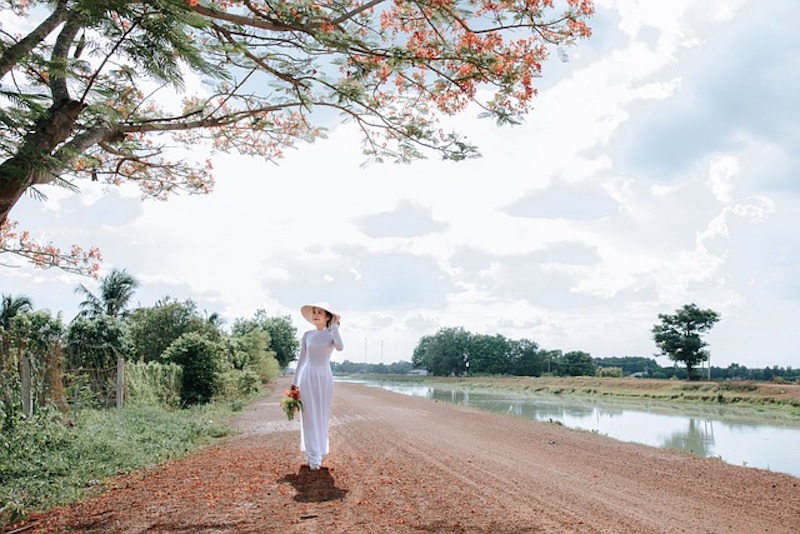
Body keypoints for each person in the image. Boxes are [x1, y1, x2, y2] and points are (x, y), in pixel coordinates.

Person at [292, 303, 344, 470]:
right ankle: (311, 453)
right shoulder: (307, 335)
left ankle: (319, 452)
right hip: (308, 375)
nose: (315, 315)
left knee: (321, 413)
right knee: (308, 414)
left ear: (327, 316)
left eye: (319, 312)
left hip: (324, 377)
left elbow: (340, 347)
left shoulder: (331, 334)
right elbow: (302, 360)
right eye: (313, 313)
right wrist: (295, 382)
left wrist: (335, 327)